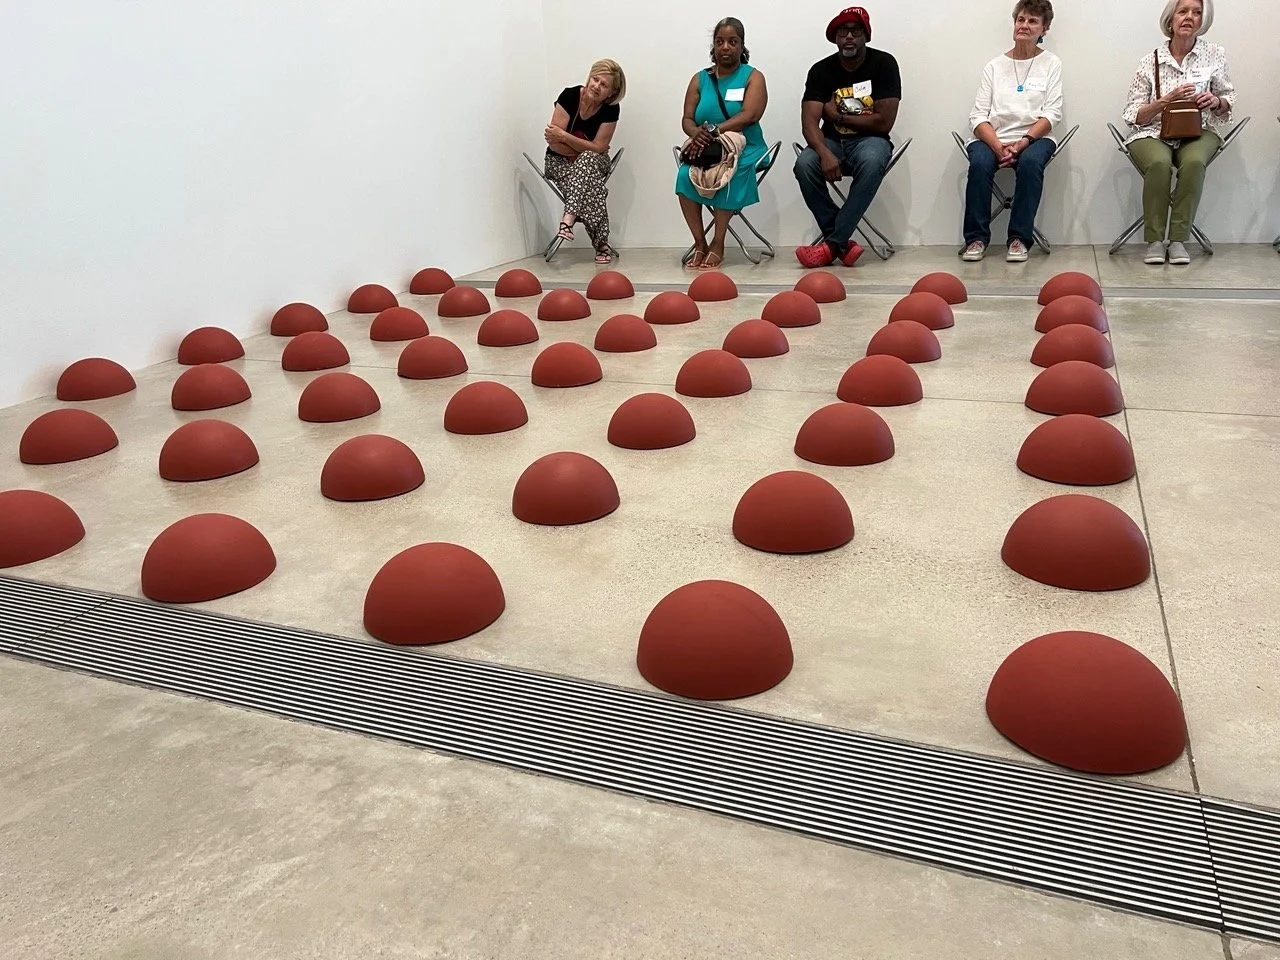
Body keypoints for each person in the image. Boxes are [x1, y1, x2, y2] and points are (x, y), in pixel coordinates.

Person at [1120, 0, 1235, 265]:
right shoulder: (1150, 61)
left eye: (1197, 13)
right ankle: (1155, 241)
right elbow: (1132, 113)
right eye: (1183, 11)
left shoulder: (1215, 54)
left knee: (1193, 162)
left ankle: (1179, 240)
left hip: (1200, 129)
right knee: (1159, 163)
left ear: (1202, 20)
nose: (1189, 17)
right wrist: (1165, 101)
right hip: (1154, 130)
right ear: (1170, 19)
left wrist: (1215, 101)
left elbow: (1228, 97)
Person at [793, 6, 901, 269]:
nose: (849, 37)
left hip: (871, 140)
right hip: (831, 142)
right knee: (804, 164)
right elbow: (809, 123)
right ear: (835, 38)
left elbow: (884, 121)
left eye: (856, 31)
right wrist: (825, 153)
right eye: (843, 31)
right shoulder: (821, 70)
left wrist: (838, 117)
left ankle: (831, 245)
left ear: (866, 36)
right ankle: (841, 243)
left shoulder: (884, 64)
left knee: (873, 161)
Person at [960, 1, 1064, 263]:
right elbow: (977, 116)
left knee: (1030, 164)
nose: (1024, 25)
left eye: (1032, 21)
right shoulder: (994, 66)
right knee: (979, 163)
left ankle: (1019, 238)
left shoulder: (1051, 63)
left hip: (1035, 138)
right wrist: (998, 146)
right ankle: (975, 239)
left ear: (1044, 29)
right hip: (992, 137)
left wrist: (1023, 142)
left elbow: (1052, 114)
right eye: (1021, 20)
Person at [674, 18, 769, 270]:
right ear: (713, 46)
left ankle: (718, 243)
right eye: (719, 41)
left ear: (742, 45)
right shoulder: (699, 79)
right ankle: (700, 243)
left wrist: (716, 130)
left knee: (730, 172)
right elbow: (687, 118)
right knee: (683, 175)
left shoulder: (753, 77)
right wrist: (696, 133)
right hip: (707, 147)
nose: (725, 47)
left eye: (732, 42)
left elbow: (751, 115)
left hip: (748, 148)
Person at [543, 60, 627, 264]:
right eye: (595, 79)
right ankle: (601, 244)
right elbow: (554, 143)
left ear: (612, 93)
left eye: (604, 85)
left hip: (596, 163)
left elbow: (599, 148)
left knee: (588, 159)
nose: (597, 86)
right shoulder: (569, 96)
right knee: (592, 185)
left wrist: (565, 136)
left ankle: (568, 219)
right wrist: (586, 148)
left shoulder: (611, 109)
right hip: (558, 162)